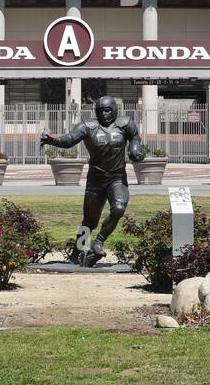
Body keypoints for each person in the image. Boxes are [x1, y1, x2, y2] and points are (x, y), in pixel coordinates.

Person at [39, 95, 145, 267]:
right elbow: (70, 140)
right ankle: (76, 252)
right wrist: (53, 140)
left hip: (117, 178)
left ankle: (98, 242)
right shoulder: (88, 126)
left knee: (118, 208)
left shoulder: (125, 124)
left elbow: (135, 139)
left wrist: (136, 150)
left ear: (115, 110)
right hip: (96, 179)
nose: (103, 113)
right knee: (89, 221)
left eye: (107, 110)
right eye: (100, 110)